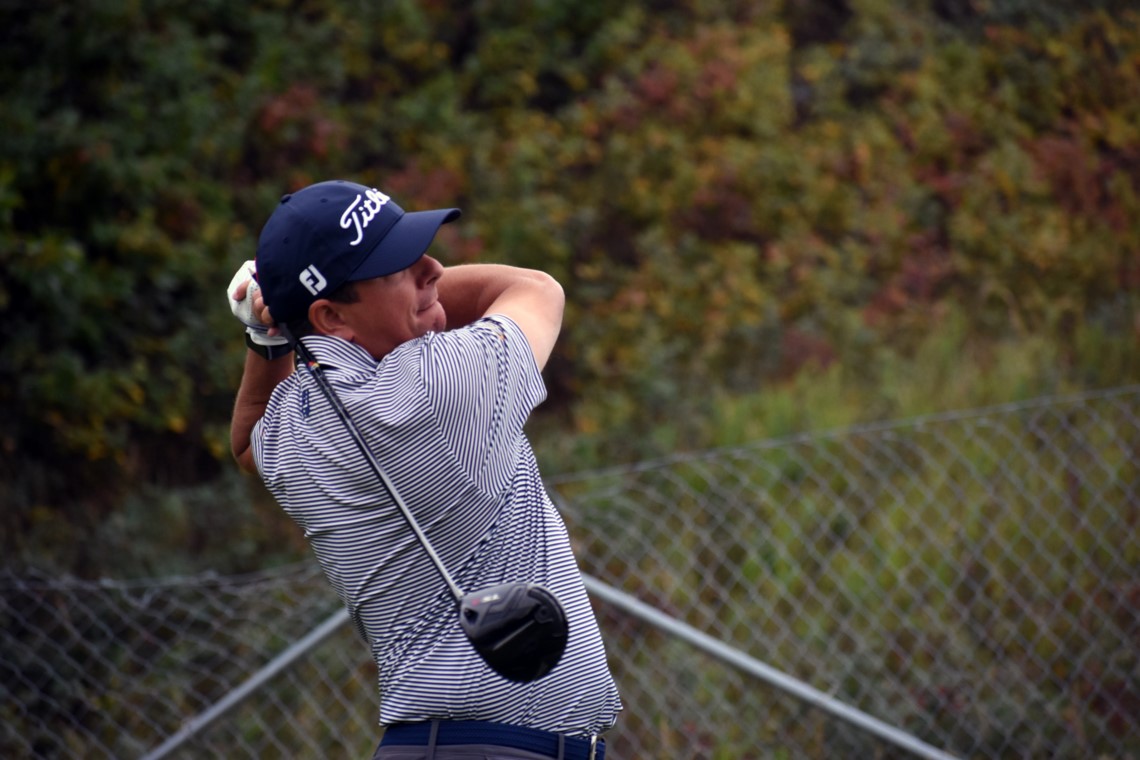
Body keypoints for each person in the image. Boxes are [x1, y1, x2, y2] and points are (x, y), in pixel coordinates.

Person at [228, 179, 621, 760]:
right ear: (333, 315)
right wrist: (285, 315)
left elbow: (246, 438)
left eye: (420, 254)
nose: (433, 269)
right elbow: (533, 289)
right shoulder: (437, 384)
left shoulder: (296, 420)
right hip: (503, 749)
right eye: (397, 268)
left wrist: (270, 333)